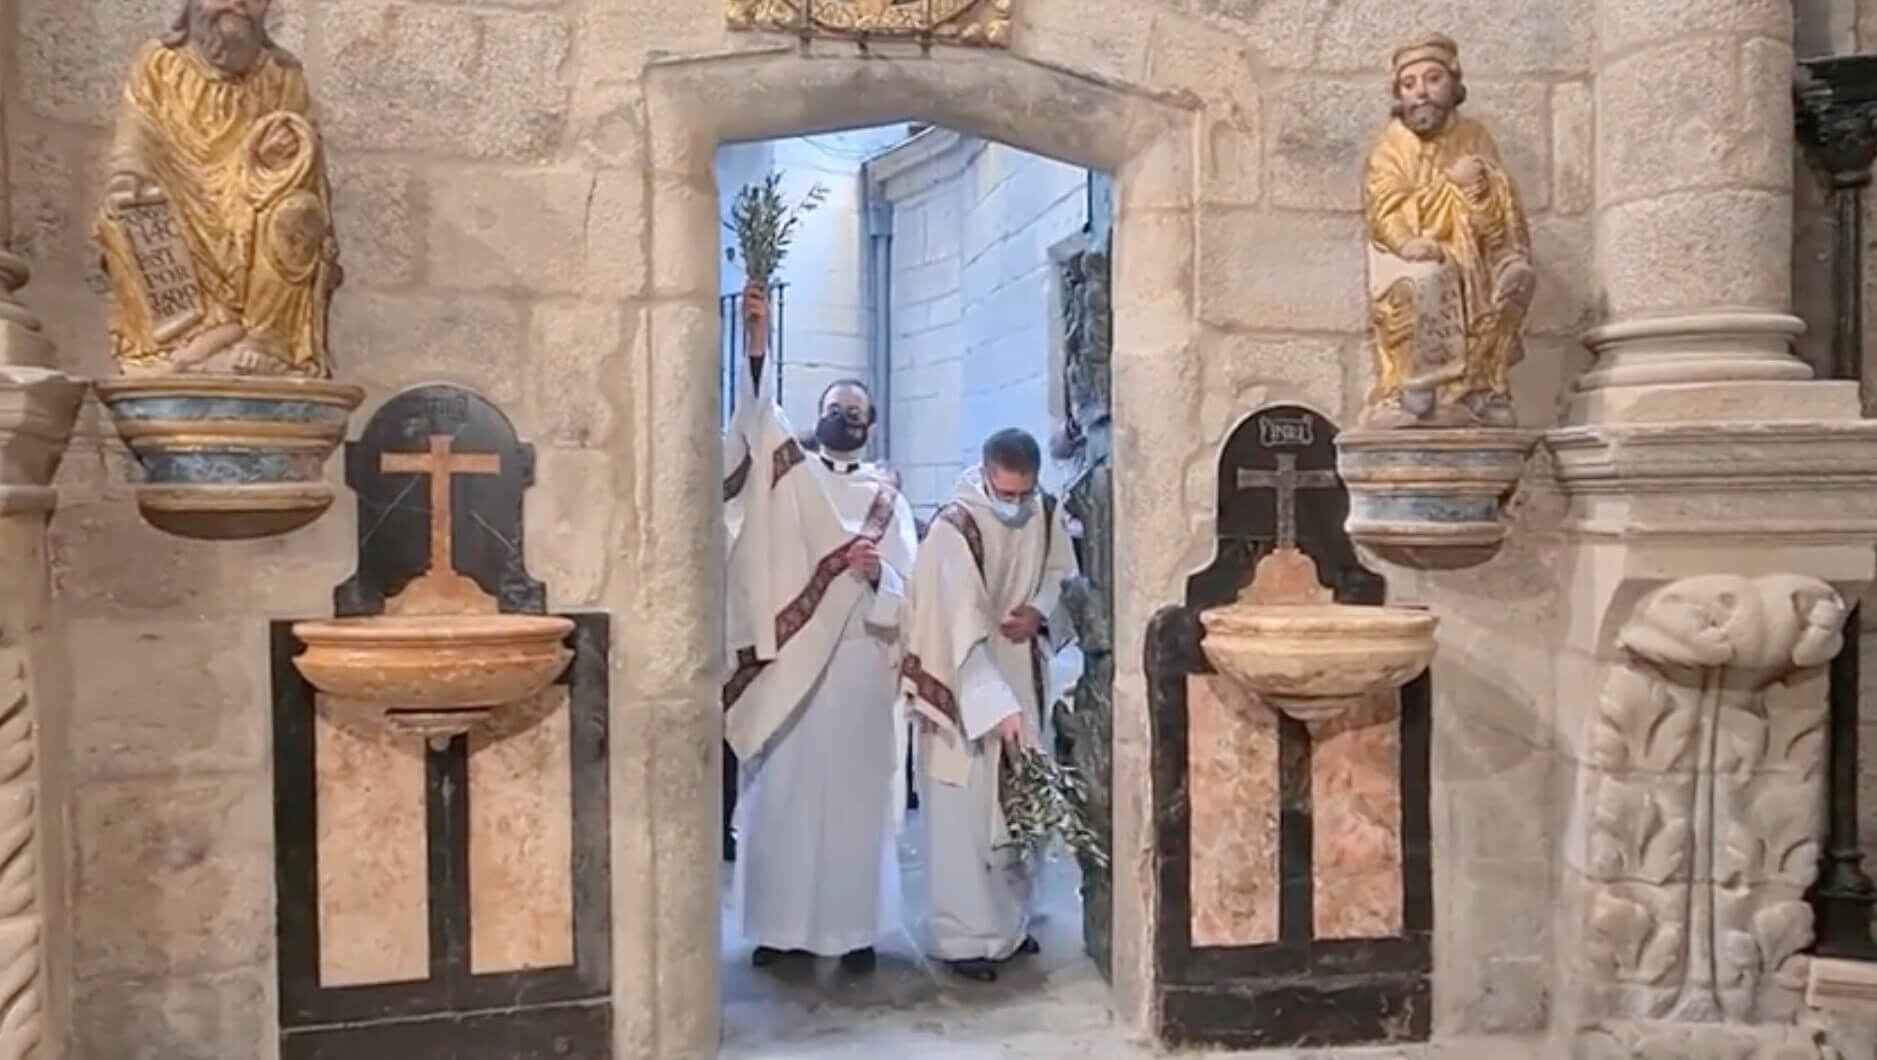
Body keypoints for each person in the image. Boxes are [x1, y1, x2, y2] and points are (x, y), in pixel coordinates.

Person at [722, 367, 917, 975]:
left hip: (860, 657)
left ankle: (853, 931)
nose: (844, 419)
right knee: (783, 796)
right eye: (836, 408)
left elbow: (909, 589)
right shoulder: (792, 483)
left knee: (854, 803)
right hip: (794, 665)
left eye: (855, 412)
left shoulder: (890, 497)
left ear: (872, 425)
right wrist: (757, 353)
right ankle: (779, 931)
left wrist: (877, 574)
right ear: (819, 413)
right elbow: (754, 435)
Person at [899, 428, 1079, 981]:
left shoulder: (1044, 513)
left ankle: (1010, 926)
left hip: (1020, 666)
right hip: (961, 684)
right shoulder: (955, 529)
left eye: (1026, 493)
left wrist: (1041, 614)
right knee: (966, 812)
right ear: (984, 473)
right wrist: (995, 707)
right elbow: (957, 629)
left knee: (1016, 807)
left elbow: (1061, 577)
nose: (1017, 505)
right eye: (1007, 494)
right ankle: (963, 939)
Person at [98, 0, 342, 378]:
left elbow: (305, 154)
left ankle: (266, 342)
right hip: (178, 192)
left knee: (295, 213)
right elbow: (136, 135)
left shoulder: (282, 75)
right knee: (124, 216)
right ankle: (176, 349)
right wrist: (127, 175)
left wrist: (279, 154)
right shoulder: (159, 63)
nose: (239, 4)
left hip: (254, 197)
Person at [1360, 33, 1534, 428]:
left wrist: (1475, 187)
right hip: (1403, 255)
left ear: (1454, 85)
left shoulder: (1473, 135)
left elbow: (1499, 198)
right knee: (1429, 276)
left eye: (1432, 79)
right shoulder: (1390, 146)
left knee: (1495, 280)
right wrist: (1408, 240)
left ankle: (1479, 387)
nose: (1420, 92)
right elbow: (1384, 205)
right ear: (1399, 95)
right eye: (1409, 84)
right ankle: (1414, 389)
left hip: (1472, 251)